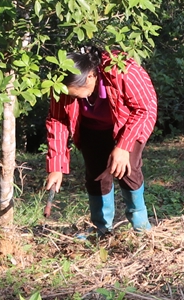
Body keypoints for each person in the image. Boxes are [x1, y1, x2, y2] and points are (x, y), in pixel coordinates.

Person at [43, 46, 158, 235]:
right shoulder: (63, 84)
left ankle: (141, 226)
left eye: (75, 94)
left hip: (129, 123)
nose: (72, 98)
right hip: (92, 128)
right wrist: (56, 166)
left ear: (90, 76)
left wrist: (123, 146)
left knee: (128, 169)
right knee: (97, 175)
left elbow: (145, 108)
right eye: (69, 95)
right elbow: (58, 120)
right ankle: (101, 229)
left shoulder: (122, 70)